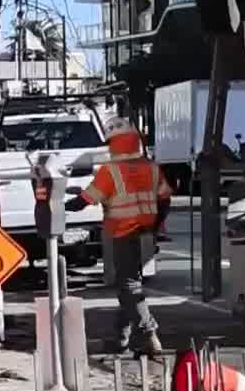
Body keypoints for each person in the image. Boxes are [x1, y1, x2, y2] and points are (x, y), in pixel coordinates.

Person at [66, 114, 171, 355]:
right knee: (129, 285)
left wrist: (59, 204)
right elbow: (165, 199)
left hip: (123, 233)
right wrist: (156, 226)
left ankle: (149, 333)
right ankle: (122, 339)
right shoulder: (151, 167)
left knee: (129, 285)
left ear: (112, 144)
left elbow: (85, 200)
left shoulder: (110, 171)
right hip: (146, 232)